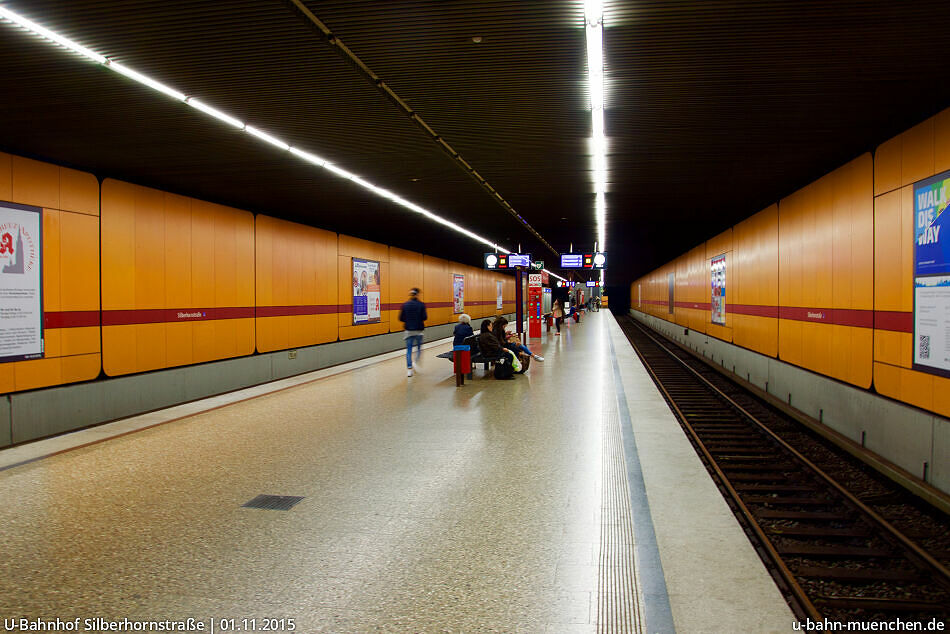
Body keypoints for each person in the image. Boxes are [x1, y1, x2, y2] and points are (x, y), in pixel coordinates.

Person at [399, 288, 427, 377]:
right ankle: (415, 362)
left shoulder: (405, 305)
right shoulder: (421, 305)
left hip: (408, 331)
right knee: (418, 349)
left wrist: (408, 320)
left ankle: (409, 369)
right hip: (418, 330)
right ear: (417, 295)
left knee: (409, 350)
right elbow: (425, 317)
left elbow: (401, 318)